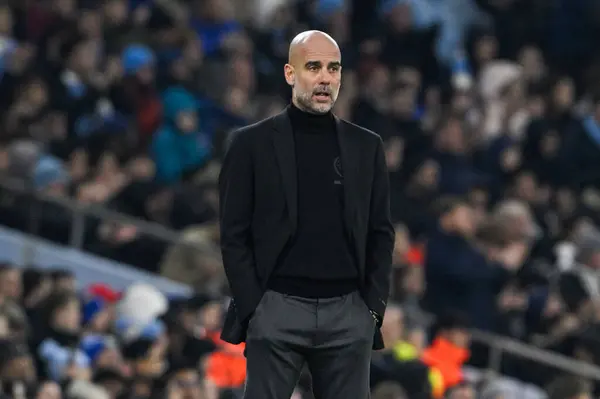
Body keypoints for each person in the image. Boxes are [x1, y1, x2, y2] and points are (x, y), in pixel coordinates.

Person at [218, 30, 395, 399]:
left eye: (333, 69)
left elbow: (381, 231)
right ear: (290, 73)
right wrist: (254, 308)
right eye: (313, 67)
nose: (325, 78)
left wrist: (372, 311)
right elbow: (234, 234)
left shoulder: (367, 147)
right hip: (276, 307)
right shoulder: (250, 143)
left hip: (349, 313)